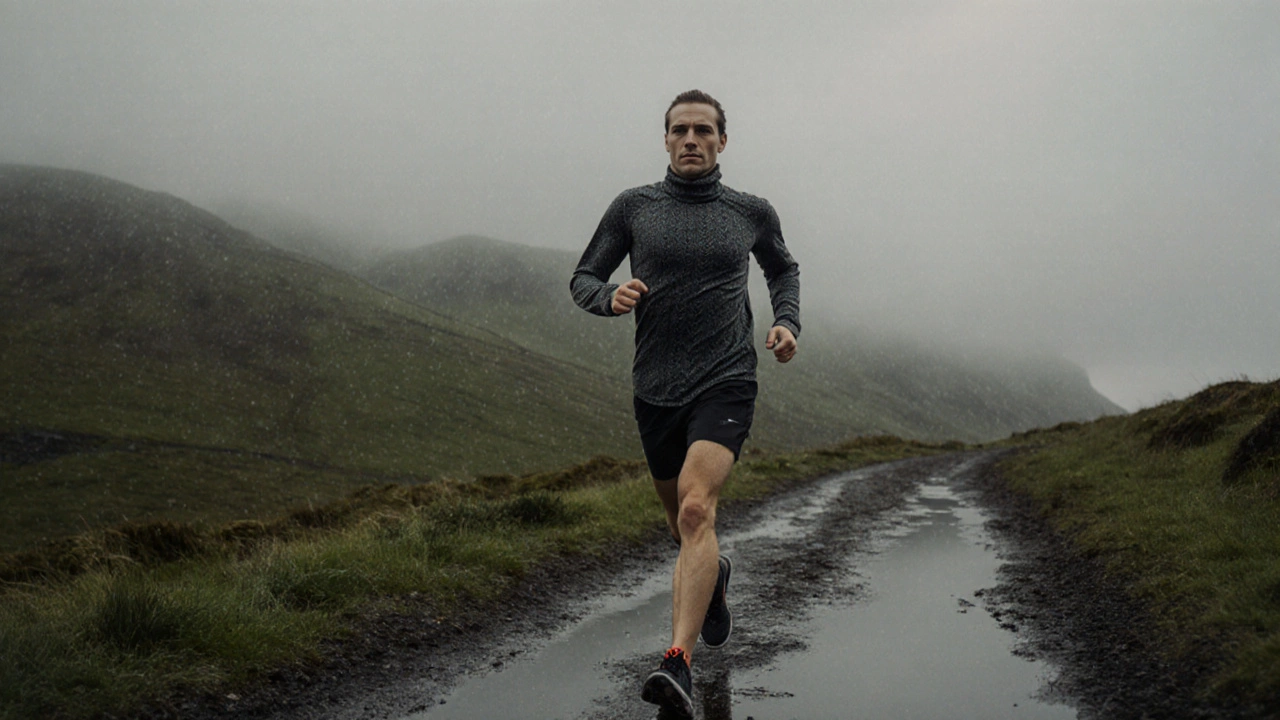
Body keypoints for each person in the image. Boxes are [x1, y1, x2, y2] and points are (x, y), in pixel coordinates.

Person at [570, 89, 800, 717]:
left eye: (703, 130)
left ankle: (678, 662)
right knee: (681, 528)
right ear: (666, 140)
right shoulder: (634, 207)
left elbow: (782, 269)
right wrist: (608, 296)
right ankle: (713, 575)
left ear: (723, 140)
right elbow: (584, 277)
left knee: (698, 510)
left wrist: (786, 321)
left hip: (726, 379)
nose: (691, 139)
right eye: (680, 130)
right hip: (655, 389)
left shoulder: (750, 211)